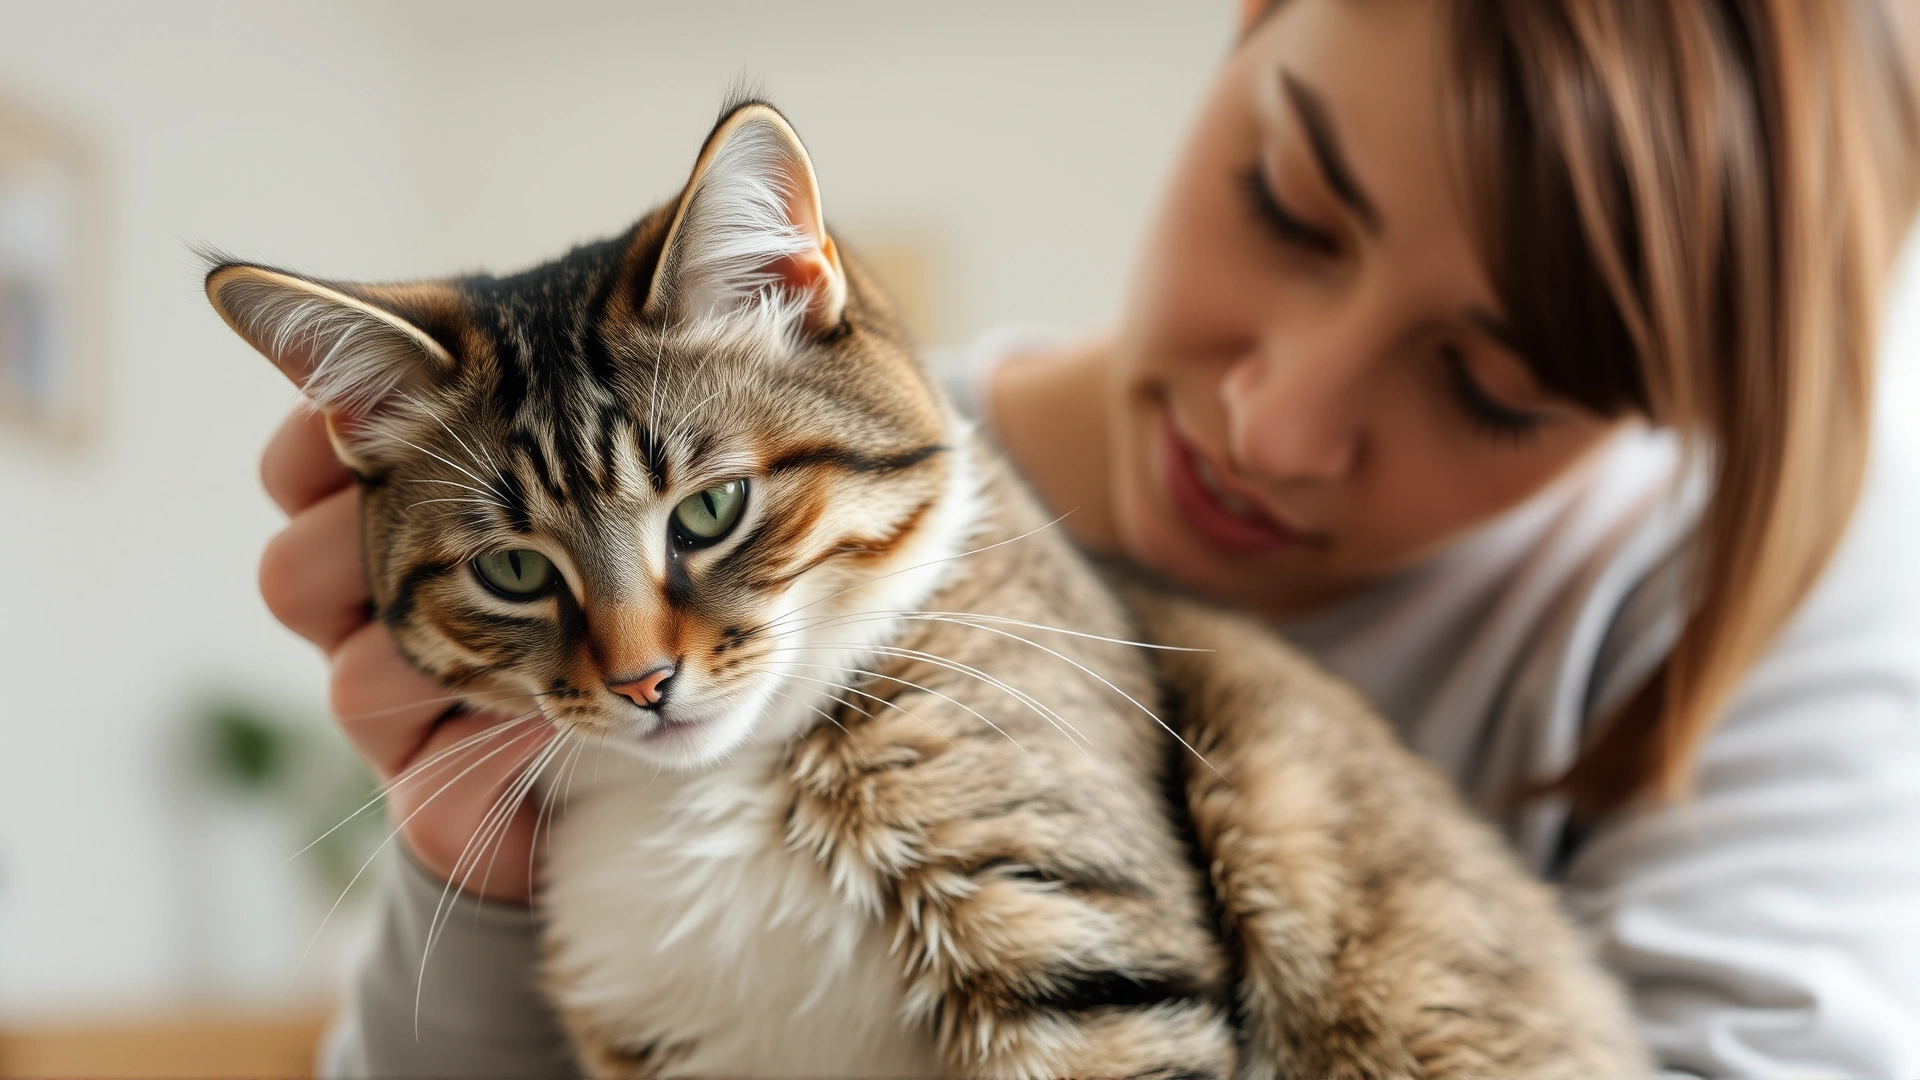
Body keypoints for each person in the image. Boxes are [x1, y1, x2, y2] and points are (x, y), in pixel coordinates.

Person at [259, 0, 1920, 1075]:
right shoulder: (775, 491)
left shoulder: (1778, 600)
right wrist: (468, 870)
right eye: (1289, 200)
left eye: (1490, 385)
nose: (1274, 423)